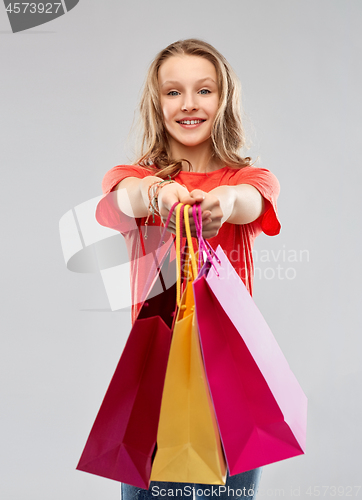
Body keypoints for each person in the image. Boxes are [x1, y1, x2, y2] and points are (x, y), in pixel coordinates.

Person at [96, 38, 281, 500]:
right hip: (157, 383)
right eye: (173, 91)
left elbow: (248, 202)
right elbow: (127, 196)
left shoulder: (247, 179)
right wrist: (160, 194)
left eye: (205, 90)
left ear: (223, 101)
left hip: (233, 386)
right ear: (156, 104)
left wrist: (219, 205)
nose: (189, 104)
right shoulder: (129, 176)